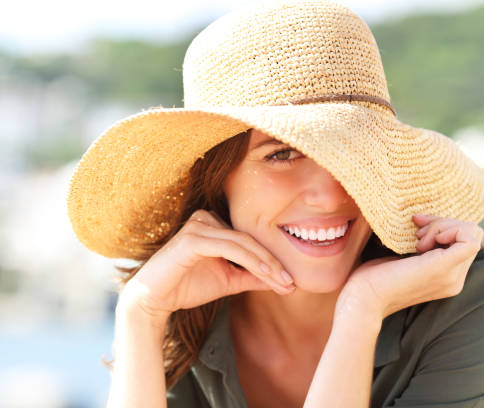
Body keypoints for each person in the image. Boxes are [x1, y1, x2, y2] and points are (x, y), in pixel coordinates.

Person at [67, 1, 484, 407]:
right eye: (281, 155)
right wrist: (140, 312)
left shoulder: (462, 307)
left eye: (352, 154)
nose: (328, 195)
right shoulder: (189, 312)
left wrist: (361, 311)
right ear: (217, 181)